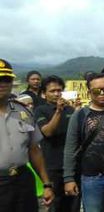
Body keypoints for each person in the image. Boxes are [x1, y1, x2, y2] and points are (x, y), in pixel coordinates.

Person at [63, 73, 104, 212]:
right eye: (97, 90)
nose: (102, 93)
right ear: (89, 92)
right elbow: (70, 148)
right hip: (92, 178)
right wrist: (69, 179)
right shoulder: (80, 115)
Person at [0, 58, 55, 211]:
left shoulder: (23, 112)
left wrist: (46, 184)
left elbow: (34, 150)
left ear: (12, 82)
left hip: (22, 180)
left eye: (5, 79)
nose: (2, 83)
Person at [34, 75, 81, 212]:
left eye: (59, 90)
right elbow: (47, 132)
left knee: (74, 204)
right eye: (52, 91)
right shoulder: (40, 110)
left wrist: (78, 111)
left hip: (72, 166)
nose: (56, 94)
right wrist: (59, 111)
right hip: (53, 167)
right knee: (56, 205)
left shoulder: (70, 110)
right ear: (44, 94)